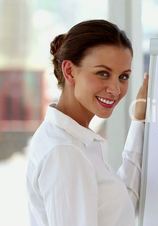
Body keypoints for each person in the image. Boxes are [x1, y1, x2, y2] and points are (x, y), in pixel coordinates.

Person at [26, 19, 148, 226]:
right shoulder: (66, 152)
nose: (115, 89)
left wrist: (139, 120)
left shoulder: (74, 140)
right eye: (103, 73)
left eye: (123, 77)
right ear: (70, 71)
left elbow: (119, 208)